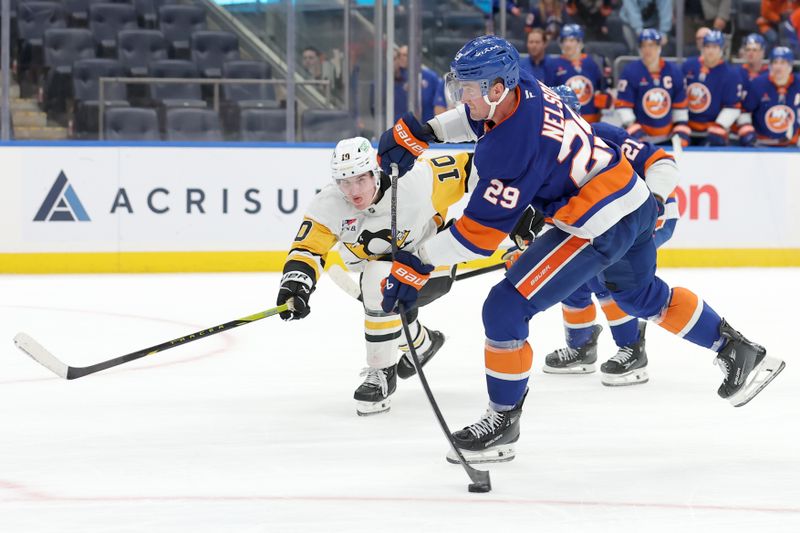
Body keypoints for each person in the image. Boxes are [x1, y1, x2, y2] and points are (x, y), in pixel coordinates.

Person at [376, 35, 785, 464]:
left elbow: (478, 236)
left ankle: (502, 421)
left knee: (504, 308)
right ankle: (736, 349)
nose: (461, 97)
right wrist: (428, 132)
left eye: (469, 89)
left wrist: (417, 259)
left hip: (596, 224)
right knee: (639, 296)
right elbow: (476, 120)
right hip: (634, 201)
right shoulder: (525, 86)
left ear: (498, 89)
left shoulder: (509, 149)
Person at [275, 137, 475, 416]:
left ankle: (381, 374)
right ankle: (422, 342)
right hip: (386, 282)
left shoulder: (416, 182)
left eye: (359, 179)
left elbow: (475, 167)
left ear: (375, 171)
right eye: (344, 182)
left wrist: (517, 212)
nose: (353, 191)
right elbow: (308, 248)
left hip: (430, 266)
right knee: (382, 293)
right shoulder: (330, 204)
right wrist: (296, 285)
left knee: (377, 277)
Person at [539, 85, 679, 386]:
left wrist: (656, 197)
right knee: (571, 273)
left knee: (605, 274)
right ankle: (581, 347)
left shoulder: (602, 135)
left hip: (646, 215)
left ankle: (631, 349)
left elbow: (660, 161)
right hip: (606, 222)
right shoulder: (546, 151)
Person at [615, 28, 690, 145]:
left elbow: (679, 105)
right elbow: (623, 106)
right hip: (639, 136)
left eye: (652, 45)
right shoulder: (630, 72)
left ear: (659, 47)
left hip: (668, 135)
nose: (647, 50)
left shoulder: (674, 71)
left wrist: (680, 129)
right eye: (644, 46)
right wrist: (634, 129)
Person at [682, 30, 743, 145]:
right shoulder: (688, 66)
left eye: (714, 47)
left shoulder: (731, 74)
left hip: (713, 130)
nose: (710, 50)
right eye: (707, 46)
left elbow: (733, 106)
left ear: (721, 49)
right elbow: (678, 96)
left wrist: (719, 125)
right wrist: (679, 122)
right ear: (702, 48)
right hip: (687, 127)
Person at [544, 23, 611, 123]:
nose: (567, 44)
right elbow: (548, 96)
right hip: (566, 121)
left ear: (580, 42)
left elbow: (603, 91)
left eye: (571, 40)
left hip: (592, 122)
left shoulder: (593, 62)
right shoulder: (553, 65)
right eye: (565, 40)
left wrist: (603, 98)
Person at [738, 46, 800, 147]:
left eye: (783, 63)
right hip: (761, 145)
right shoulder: (758, 83)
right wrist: (747, 129)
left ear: (790, 66)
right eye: (775, 62)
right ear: (770, 65)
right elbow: (745, 110)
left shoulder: (798, 84)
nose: (778, 67)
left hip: (793, 145)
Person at [393, 45, 447, 123]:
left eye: (405, 55)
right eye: (399, 55)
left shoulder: (431, 77)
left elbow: (438, 103)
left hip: (426, 124)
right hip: (400, 125)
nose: (401, 57)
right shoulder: (396, 77)